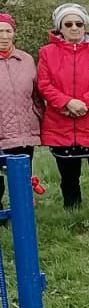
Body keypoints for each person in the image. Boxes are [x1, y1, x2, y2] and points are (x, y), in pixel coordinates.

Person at [37, 3, 89, 214]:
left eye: (79, 23)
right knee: (68, 176)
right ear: (60, 28)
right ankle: (71, 212)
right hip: (62, 124)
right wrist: (66, 102)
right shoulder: (47, 53)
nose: (74, 28)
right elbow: (44, 84)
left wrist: (83, 103)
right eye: (68, 24)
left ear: (85, 26)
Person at [0, 12, 42, 210]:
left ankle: (24, 213)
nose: (4, 36)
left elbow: (37, 94)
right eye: (0, 31)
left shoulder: (26, 60)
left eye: (8, 31)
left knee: (22, 177)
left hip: (23, 130)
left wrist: (37, 117)